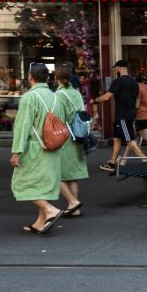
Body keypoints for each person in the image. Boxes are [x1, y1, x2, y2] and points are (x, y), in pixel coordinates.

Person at [10, 63, 63, 234]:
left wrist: (16, 152)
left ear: (30, 77)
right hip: (53, 146)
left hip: (34, 147)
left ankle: (50, 211)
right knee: (44, 185)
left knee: (21, 184)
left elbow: (22, 126)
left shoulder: (29, 97)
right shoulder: (56, 96)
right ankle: (40, 222)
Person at [94, 60, 147, 172]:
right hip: (129, 114)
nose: (115, 70)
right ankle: (112, 163)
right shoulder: (134, 82)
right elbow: (137, 100)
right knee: (117, 139)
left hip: (123, 116)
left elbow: (107, 97)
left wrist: (95, 100)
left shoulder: (118, 81)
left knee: (130, 141)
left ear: (119, 68)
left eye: (116, 68)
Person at [54, 63, 87, 218]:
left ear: (57, 77)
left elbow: (57, 118)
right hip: (78, 135)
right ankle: (74, 207)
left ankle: (73, 202)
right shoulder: (76, 93)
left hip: (65, 137)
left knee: (56, 174)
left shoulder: (59, 95)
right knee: (72, 175)